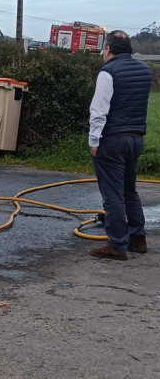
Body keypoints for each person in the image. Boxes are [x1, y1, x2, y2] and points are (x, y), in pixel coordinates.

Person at [88, 30, 152, 260]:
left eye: (103, 48)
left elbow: (99, 111)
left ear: (108, 49)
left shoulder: (108, 72)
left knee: (112, 193)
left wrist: (94, 140)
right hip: (136, 139)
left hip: (113, 140)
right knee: (129, 190)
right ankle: (138, 238)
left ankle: (116, 245)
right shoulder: (145, 71)